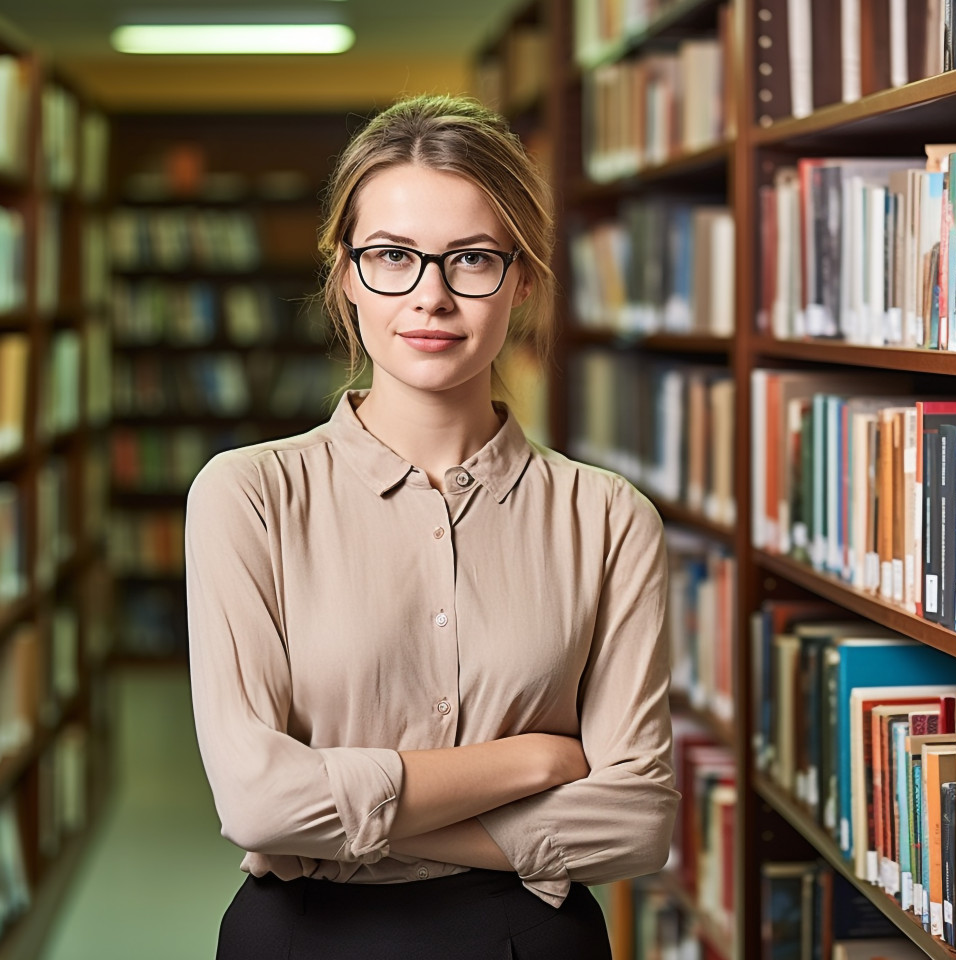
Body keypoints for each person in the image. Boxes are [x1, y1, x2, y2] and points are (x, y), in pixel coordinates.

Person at [185, 94, 678, 960]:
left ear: (523, 278)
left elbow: (636, 823)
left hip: (530, 938)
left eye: (473, 258)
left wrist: (338, 826)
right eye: (392, 256)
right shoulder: (247, 496)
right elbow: (257, 803)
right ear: (346, 273)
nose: (432, 296)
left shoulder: (609, 519)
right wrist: (533, 762)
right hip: (303, 939)